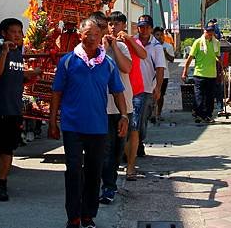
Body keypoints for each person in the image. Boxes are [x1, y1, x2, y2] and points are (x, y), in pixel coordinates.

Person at [49, 18, 128, 228]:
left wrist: (124, 115)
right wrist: (52, 121)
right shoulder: (67, 61)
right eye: (88, 34)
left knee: (94, 172)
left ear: (100, 35)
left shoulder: (108, 64)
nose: (92, 38)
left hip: (98, 127)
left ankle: (88, 216)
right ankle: (73, 217)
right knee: (74, 171)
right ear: (79, 35)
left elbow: (118, 91)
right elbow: (57, 92)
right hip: (72, 126)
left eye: (95, 34)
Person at [0, 18, 41, 201]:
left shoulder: (18, 55)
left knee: (7, 147)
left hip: (12, 109)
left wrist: (35, 73)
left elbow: (16, 75)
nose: (17, 35)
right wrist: (4, 52)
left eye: (19, 32)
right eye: (13, 32)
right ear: (4, 34)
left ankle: (1, 182)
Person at [98, 12, 134, 205]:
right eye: (108, 24)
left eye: (115, 24)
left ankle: (110, 184)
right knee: (106, 149)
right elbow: (98, 66)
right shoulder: (96, 49)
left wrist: (115, 46)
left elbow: (126, 68)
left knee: (118, 149)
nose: (112, 27)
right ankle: (108, 186)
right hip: (103, 107)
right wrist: (104, 46)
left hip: (123, 106)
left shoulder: (122, 46)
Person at [134, 15, 166, 161]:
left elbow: (160, 68)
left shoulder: (156, 46)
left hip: (147, 88)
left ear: (151, 28)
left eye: (147, 26)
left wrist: (158, 88)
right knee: (132, 119)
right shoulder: (132, 41)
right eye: (141, 26)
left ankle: (139, 143)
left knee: (142, 119)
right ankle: (131, 146)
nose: (144, 29)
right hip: (132, 87)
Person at [181, 21, 220, 123]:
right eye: (208, 31)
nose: (210, 33)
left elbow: (217, 56)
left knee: (210, 97)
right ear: (204, 31)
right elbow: (190, 58)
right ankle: (198, 114)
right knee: (199, 96)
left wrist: (221, 69)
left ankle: (208, 115)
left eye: (212, 31)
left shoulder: (216, 43)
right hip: (199, 74)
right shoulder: (198, 42)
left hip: (211, 74)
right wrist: (185, 70)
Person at [153, 26, 175, 121]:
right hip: (151, 75)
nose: (160, 37)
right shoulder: (151, 46)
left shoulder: (168, 46)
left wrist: (165, 53)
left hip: (164, 75)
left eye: (161, 35)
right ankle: (152, 113)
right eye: (157, 35)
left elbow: (172, 59)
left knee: (160, 95)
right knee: (151, 95)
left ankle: (159, 113)